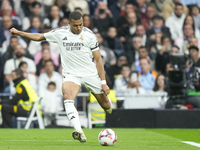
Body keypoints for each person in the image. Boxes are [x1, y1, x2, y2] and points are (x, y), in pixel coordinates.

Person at [10, 11, 112, 143]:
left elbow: (98, 60)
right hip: (71, 74)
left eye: (81, 24)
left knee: (106, 107)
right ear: (69, 23)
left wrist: (103, 82)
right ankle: (79, 131)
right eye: (75, 25)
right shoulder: (60, 32)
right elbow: (39, 36)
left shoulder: (90, 35)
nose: (79, 28)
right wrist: (19, 33)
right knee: (67, 97)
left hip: (89, 74)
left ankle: (107, 105)